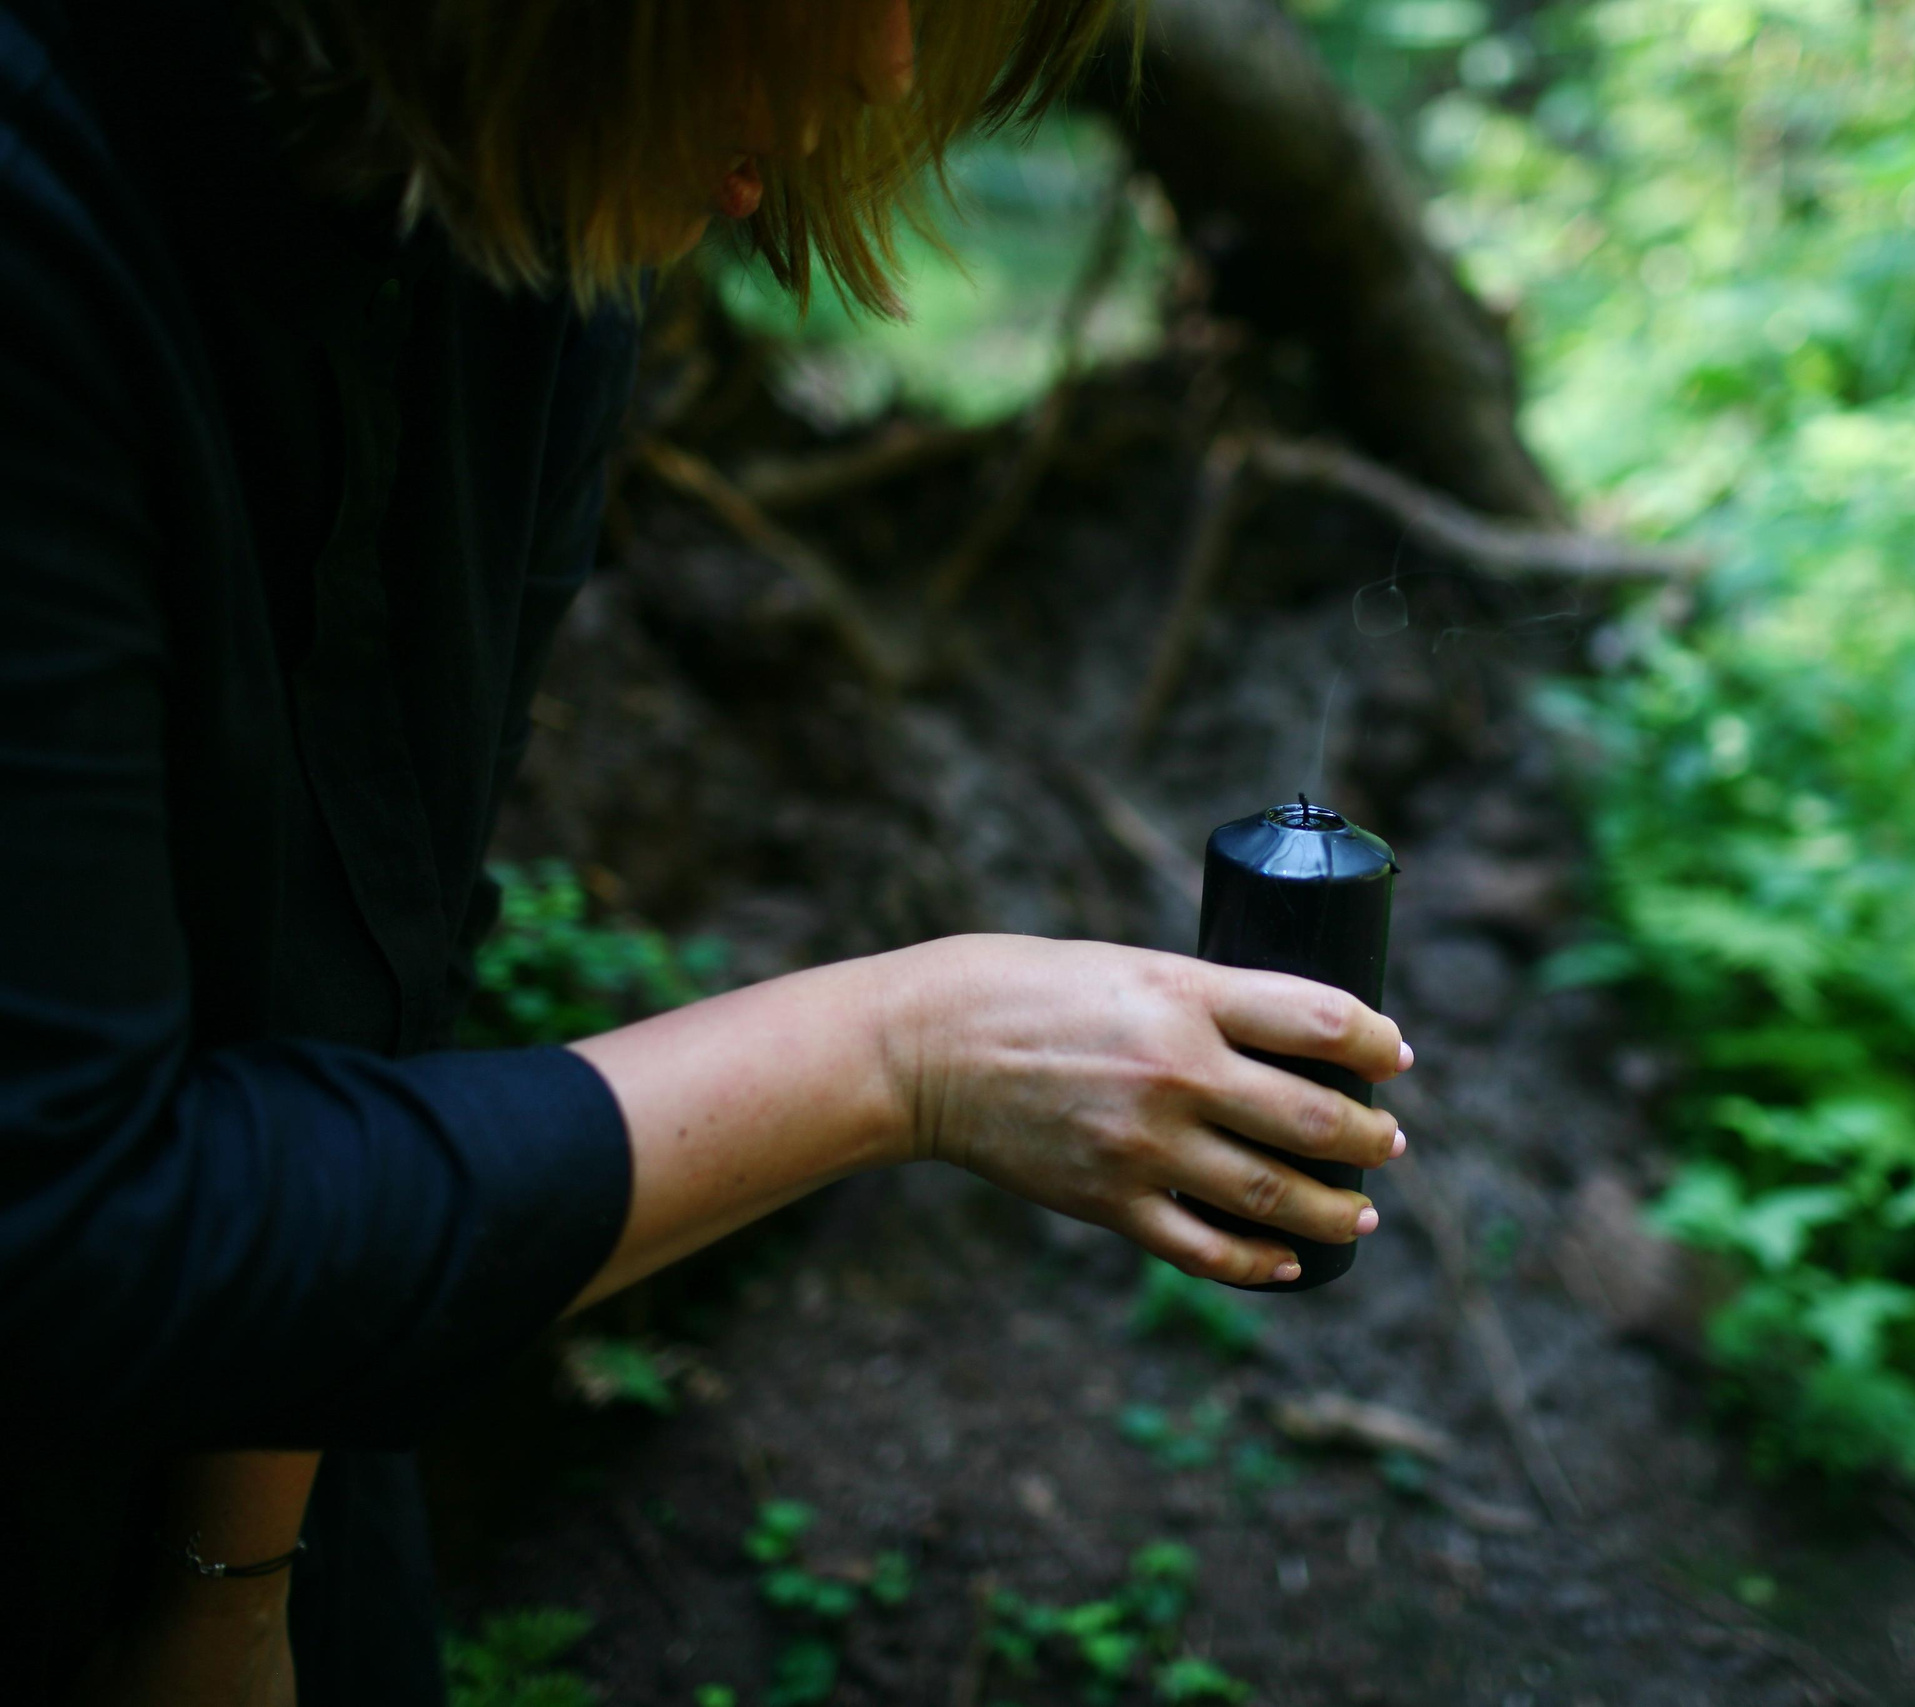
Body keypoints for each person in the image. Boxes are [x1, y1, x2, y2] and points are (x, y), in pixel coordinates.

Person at [0, 0, 1413, 1700]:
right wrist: (903, 1054)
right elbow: (66, 1225)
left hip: (269, 1442)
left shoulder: (522, 230)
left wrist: (227, 1580)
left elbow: (362, 968)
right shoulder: (49, 218)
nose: (893, 67)